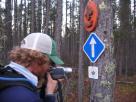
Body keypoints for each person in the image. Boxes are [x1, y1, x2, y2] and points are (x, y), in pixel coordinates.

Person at [0, 32, 64, 102]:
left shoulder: (6, 76)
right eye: (51, 63)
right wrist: (50, 95)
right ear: (39, 60)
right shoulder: (24, 97)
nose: (50, 68)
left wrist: (46, 90)